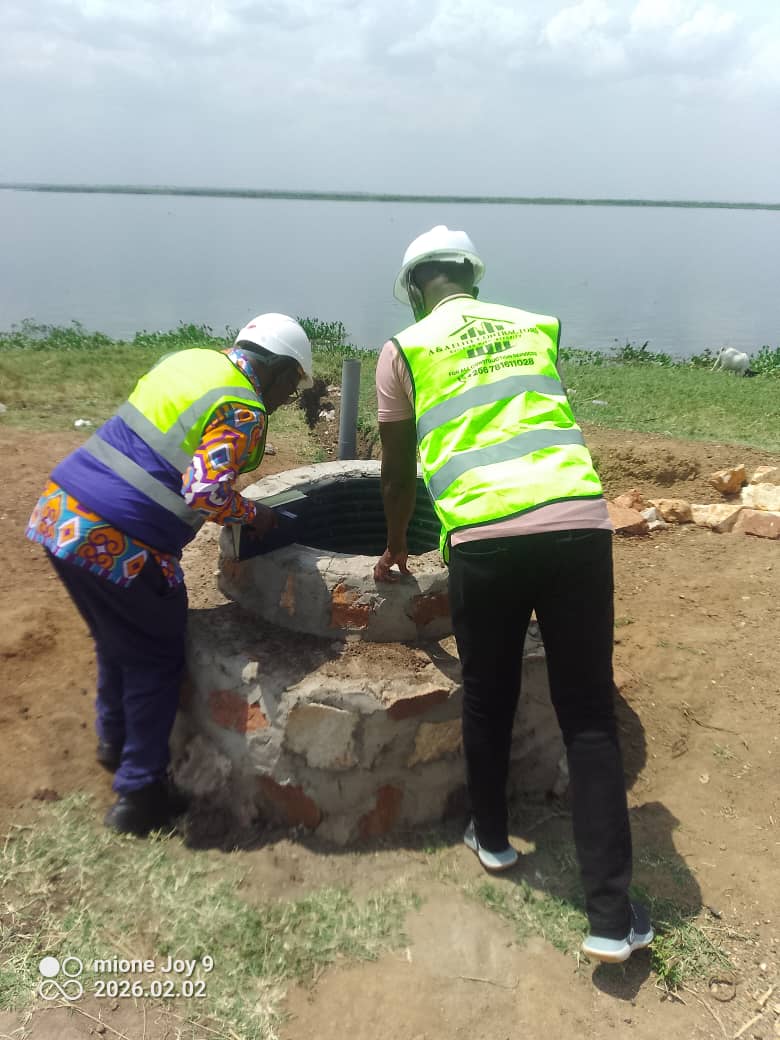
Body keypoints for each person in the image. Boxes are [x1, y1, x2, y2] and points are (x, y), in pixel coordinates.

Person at [373, 226, 653, 964]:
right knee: (587, 715)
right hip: (577, 524)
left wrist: (396, 543)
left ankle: (492, 838)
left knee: (487, 694)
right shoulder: (534, 327)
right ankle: (609, 917)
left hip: (483, 538)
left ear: (414, 288)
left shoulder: (403, 350)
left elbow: (397, 474)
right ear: (473, 276)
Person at [26, 314, 313, 837]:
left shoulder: (189, 361)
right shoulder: (243, 406)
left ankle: (114, 742)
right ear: (277, 370)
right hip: (120, 540)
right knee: (154, 656)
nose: (285, 400)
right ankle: (139, 796)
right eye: (291, 387)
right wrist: (257, 516)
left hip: (62, 512)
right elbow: (204, 491)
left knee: (117, 638)